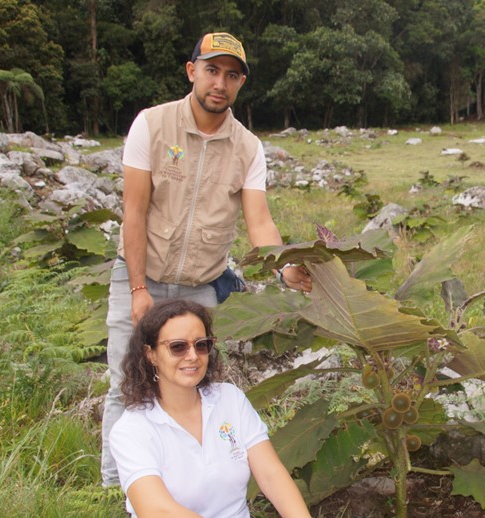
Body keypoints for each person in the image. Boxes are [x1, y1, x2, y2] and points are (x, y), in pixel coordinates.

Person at [101, 31, 313, 487]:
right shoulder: (152, 125)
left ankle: (182, 480)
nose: (220, 82)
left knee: (191, 383)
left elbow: (259, 222)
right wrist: (139, 289)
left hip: (201, 284)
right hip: (142, 273)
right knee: (128, 382)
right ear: (192, 70)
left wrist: (286, 266)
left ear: (240, 84)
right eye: (212, 70)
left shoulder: (248, 147)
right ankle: (116, 485)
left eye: (232, 75)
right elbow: (133, 212)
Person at [110, 299, 311, 517]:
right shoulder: (132, 430)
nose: (193, 356)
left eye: (201, 345)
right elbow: (155, 509)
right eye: (178, 347)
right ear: (151, 355)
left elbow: (271, 474)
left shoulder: (229, 399)